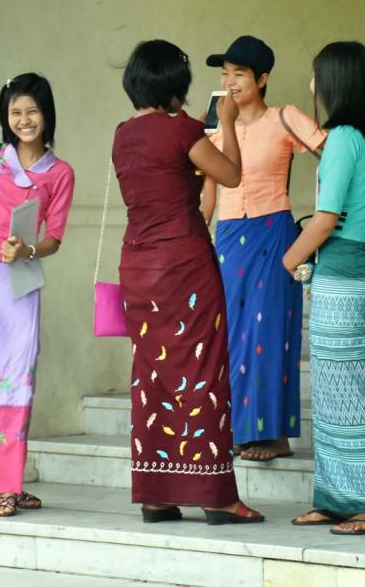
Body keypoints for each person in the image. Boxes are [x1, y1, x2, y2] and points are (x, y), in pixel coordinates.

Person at [112, 40, 263, 525]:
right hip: (184, 264)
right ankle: (216, 494)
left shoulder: (122, 134)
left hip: (137, 266)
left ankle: (156, 493)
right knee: (202, 372)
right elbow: (232, 175)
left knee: (152, 376)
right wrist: (229, 123)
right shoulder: (185, 129)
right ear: (176, 84)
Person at [284, 41, 365, 535]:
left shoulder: (342, 139)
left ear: (332, 81)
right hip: (361, 266)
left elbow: (327, 219)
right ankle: (334, 499)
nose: (312, 86)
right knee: (335, 392)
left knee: (348, 394)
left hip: (344, 272)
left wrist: (288, 259)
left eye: (316, 76)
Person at [0, 73, 75, 517]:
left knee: (16, 372)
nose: (24, 120)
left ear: (47, 114)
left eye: (32, 111)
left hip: (19, 279)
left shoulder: (59, 173)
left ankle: (11, 482)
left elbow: (54, 239)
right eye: (15, 112)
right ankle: (1, 485)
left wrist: (26, 249)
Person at [200, 35, 325, 462]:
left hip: (274, 232)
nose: (230, 82)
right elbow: (207, 196)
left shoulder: (284, 118)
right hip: (229, 237)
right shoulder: (215, 131)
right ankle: (238, 428)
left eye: (239, 74)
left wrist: (332, 212)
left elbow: (332, 153)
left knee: (271, 330)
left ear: (263, 78)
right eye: (224, 74)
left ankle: (273, 434)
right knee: (233, 335)